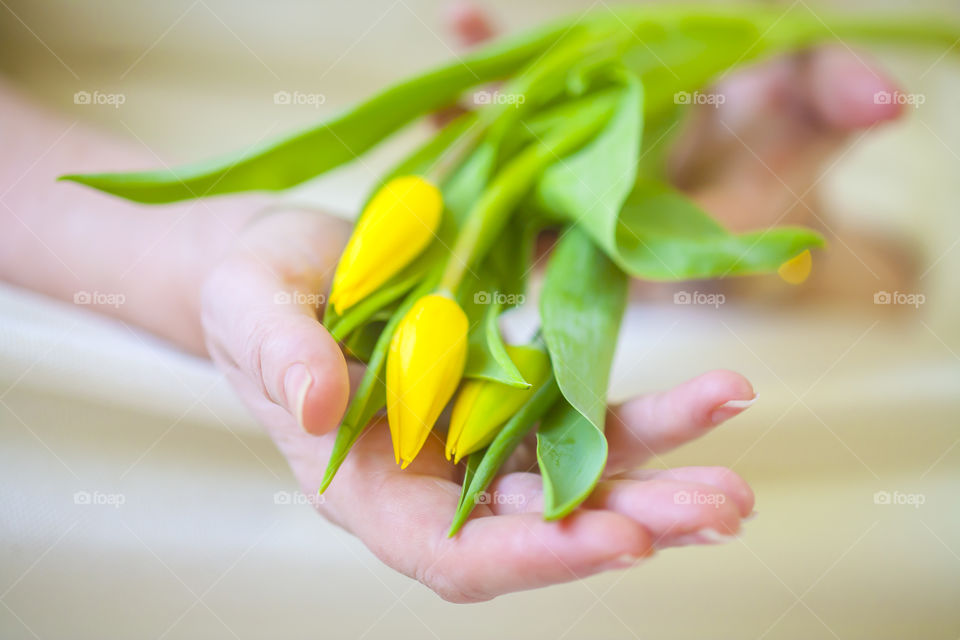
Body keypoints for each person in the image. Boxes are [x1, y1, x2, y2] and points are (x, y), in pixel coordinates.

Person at [0, 6, 906, 602]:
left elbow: (893, 267)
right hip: (79, 256)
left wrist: (750, 255)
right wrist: (189, 252)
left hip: (841, 345)